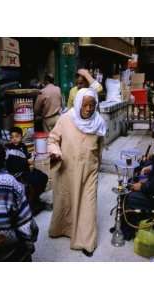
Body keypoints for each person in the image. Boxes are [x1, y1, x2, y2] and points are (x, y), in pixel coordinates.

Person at [48, 88, 106, 257]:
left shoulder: (99, 122)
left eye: (92, 105)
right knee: (65, 201)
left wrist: (97, 164)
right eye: (85, 105)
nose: (88, 109)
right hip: (67, 169)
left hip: (89, 171)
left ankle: (86, 242)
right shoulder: (66, 119)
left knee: (88, 205)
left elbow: (100, 148)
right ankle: (61, 229)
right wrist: (55, 151)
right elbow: (52, 139)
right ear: (78, 103)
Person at [5, 127, 50, 215]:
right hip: (18, 174)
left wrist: (31, 156)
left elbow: (26, 156)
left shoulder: (22, 146)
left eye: (17, 136)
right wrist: (26, 161)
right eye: (12, 137)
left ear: (21, 137)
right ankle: (32, 204)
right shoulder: (9, 149)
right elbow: (13, 165)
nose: (14, 139)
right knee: (35, 180)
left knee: (43, 176)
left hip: (26, 170)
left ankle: (36, 198)